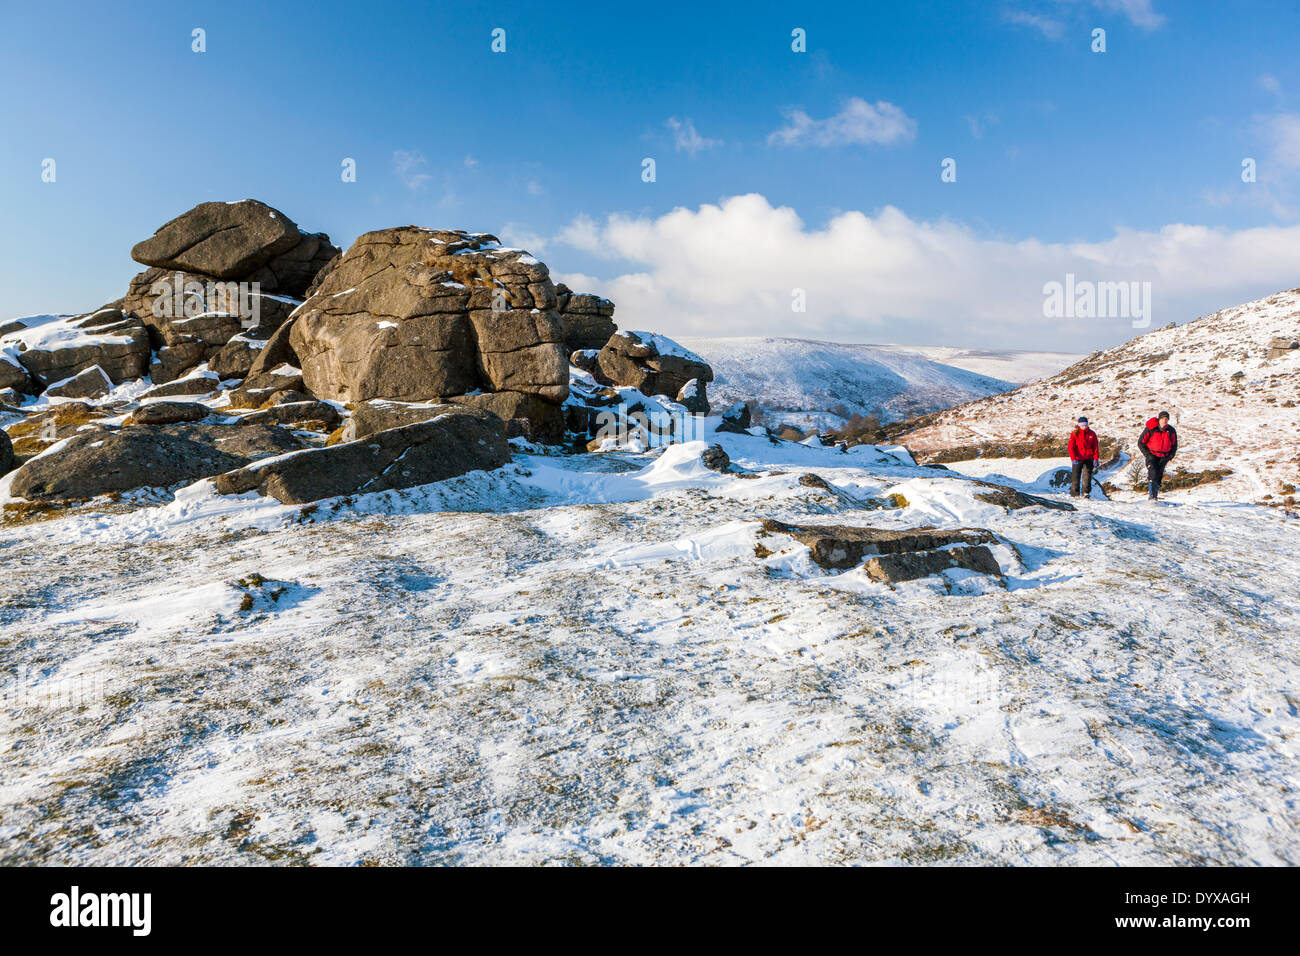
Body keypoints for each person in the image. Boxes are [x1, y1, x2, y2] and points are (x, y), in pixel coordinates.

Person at [1138, 410, 1178, 501]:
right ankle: (1152, 497)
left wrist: (1170, 456)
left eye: (1166, 419)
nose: (1165, 421)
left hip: (1164, 457)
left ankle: (1155, 496)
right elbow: (1141, 442)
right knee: (1153, 473)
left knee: (1159, 476)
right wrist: (1147, 454)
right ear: (1159, 419)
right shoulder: (1151, 428)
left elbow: (1174, 444)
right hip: (1152, 455)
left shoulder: (1171, 431)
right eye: (1163, 418)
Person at [1068, 416, 1100, 498]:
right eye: (1082, 425)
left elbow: (1095, 447)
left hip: (1089, 458)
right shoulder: (1075, 433)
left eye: (1085, 425)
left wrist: (1096, 459)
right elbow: (1071, 447)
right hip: (1078, 459)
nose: (1084, 427)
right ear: (1079, 425)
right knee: (1076, 477)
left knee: (1087, 477)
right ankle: (1075, 494)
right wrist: (1073, 458)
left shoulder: (1092, 434)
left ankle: (1086, 493)